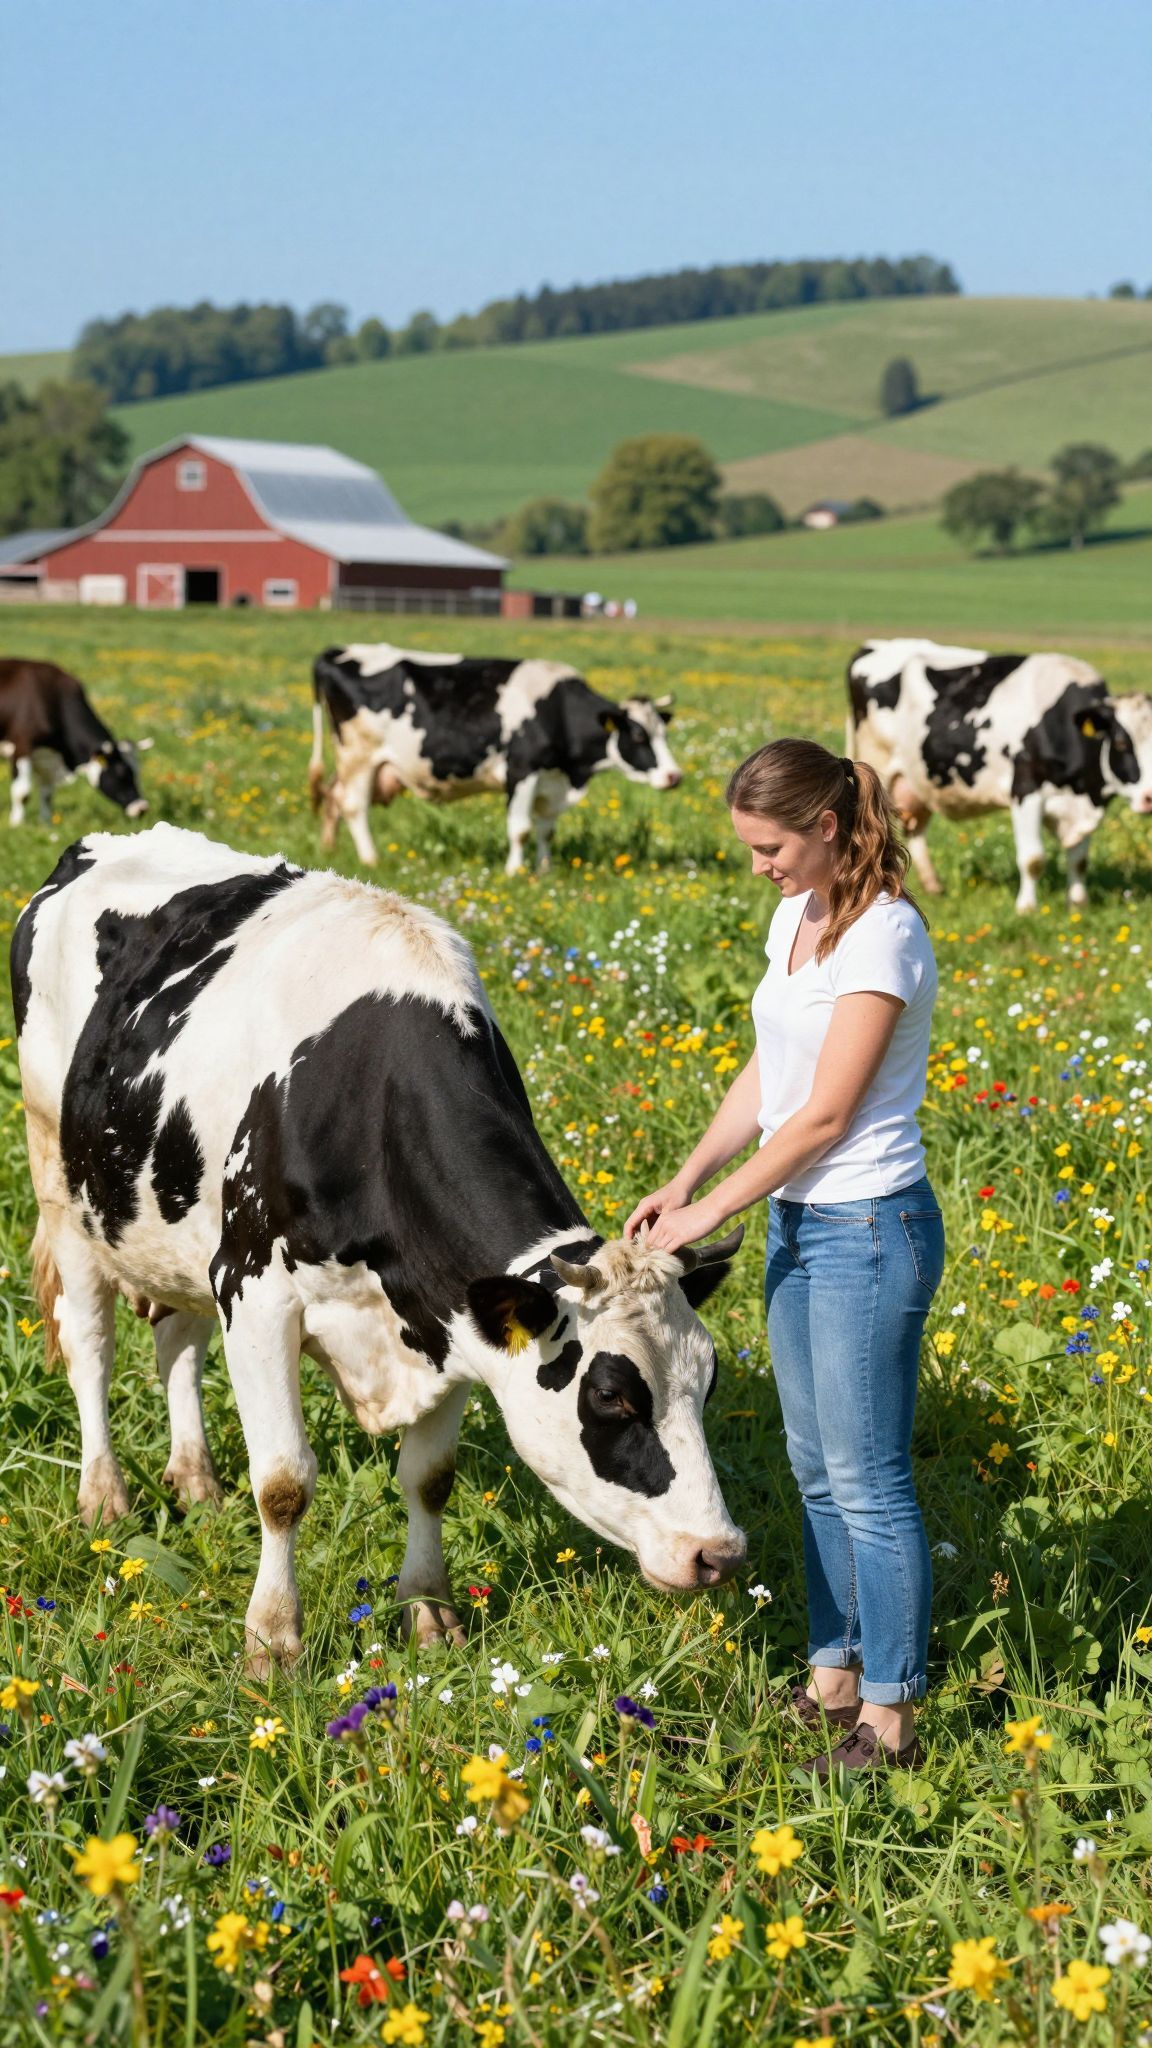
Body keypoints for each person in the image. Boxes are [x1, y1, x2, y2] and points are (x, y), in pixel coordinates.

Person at [625, 736, 943, 1775]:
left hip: (867, 1226)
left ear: (825, 825)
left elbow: (825, 1114)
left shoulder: (884, 935)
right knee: (814, 1469)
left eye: (770, 845)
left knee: (870, 1477)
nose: (758, 864)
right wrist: (685, 1178)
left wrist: (702, 1217)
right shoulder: (795, 918)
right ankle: (833, 1677)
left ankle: (890, 1719)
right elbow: (769, 1074)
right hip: (799, 1227)